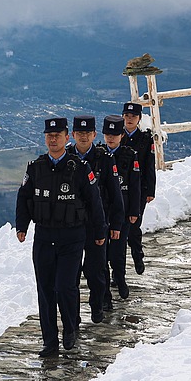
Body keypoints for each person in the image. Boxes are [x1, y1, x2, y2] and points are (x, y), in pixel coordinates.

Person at [16, 117, 106, 357]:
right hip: (44, 238)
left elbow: (94, 202)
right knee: (45, 291)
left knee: (65, 286)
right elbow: (24, 197)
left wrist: (99, 232)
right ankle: (50, 341)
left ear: (67, 138)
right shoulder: (36, 167)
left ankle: (70, 328)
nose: (53, 139)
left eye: (58, 135)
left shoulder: (79, 168)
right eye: (49, 136)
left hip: (72, 237)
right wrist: (21, 226)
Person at [69, 115, 124, 322]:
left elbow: (115, 193)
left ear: (94, 135)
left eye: (87, 133)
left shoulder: (105, 159)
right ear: (73, 135)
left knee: (96, 270)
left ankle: (97, 305)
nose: (83, 137)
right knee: (72, 273)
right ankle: (73, 318)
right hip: (71, 224)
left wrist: (116, 223)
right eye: (79, 133)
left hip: (97, 223)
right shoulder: (66, 158)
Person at [101, 115, 141, 304]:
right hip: (102, 210)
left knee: (118, 250)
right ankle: (105, 290)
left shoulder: (129, 155)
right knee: (102, 252)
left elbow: (135, 186)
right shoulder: (99, 155)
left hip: (122, 210)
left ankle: (120, 278)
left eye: (115, 134)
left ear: (121, 135)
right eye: (108, 134)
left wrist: (134, 211)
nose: (111, 138)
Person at [122, 102, 156, 274]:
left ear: (139, 119)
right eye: (127, 116)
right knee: (118, 228)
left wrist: (151, 190)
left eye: (133, 117)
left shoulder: (145, 139)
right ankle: (118, 269)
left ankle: (137, 255)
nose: (129, 120)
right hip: (119, 189)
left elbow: (150, 164)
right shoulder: (117, 136)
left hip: (139, 189)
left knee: (134, 226)